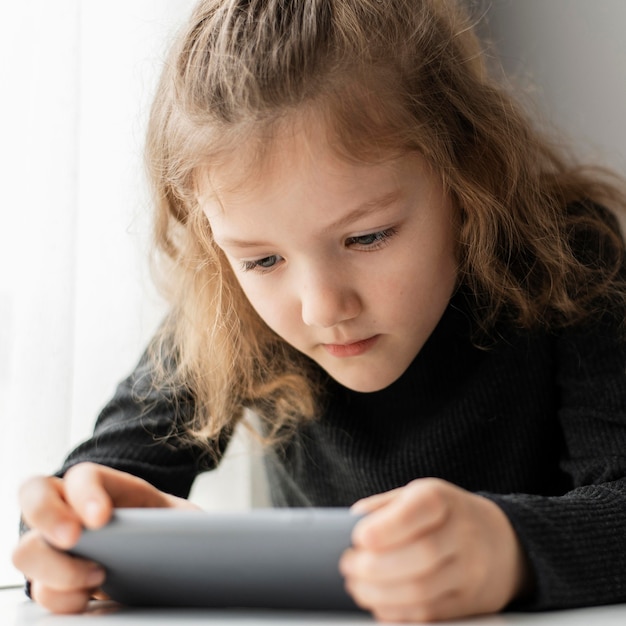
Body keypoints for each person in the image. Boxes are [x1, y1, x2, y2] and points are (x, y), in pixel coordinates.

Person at [12, 0, 626, 622]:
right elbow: (78, 491)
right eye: (261, 261)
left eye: (367, 237)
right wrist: (82, 537)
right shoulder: (229, 310)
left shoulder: (571, 260)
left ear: (469, 176)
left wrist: (510, 549)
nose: (324, 307)